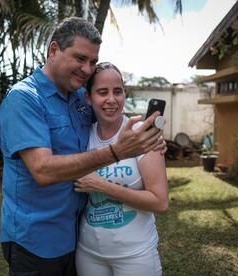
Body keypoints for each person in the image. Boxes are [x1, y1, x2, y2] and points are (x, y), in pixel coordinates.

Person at [0, 17, 166, 276]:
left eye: (93, 62)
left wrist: (146, 137)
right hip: (34, 240)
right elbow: (42, 170)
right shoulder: (24, 99)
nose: (87, 69)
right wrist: (118, 152)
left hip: (75, 238)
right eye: (80, 58)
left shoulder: (78, 99)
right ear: (53, 50)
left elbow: (111, 115)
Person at [74, 62, 168, 276]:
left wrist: (102, 186)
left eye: (117, 91)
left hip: (136, 255)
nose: (111, 100)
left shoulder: (142, 135)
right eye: (102, 92)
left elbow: (160, 202)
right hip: (89, 253)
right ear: (88, 98)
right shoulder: (81, 136)